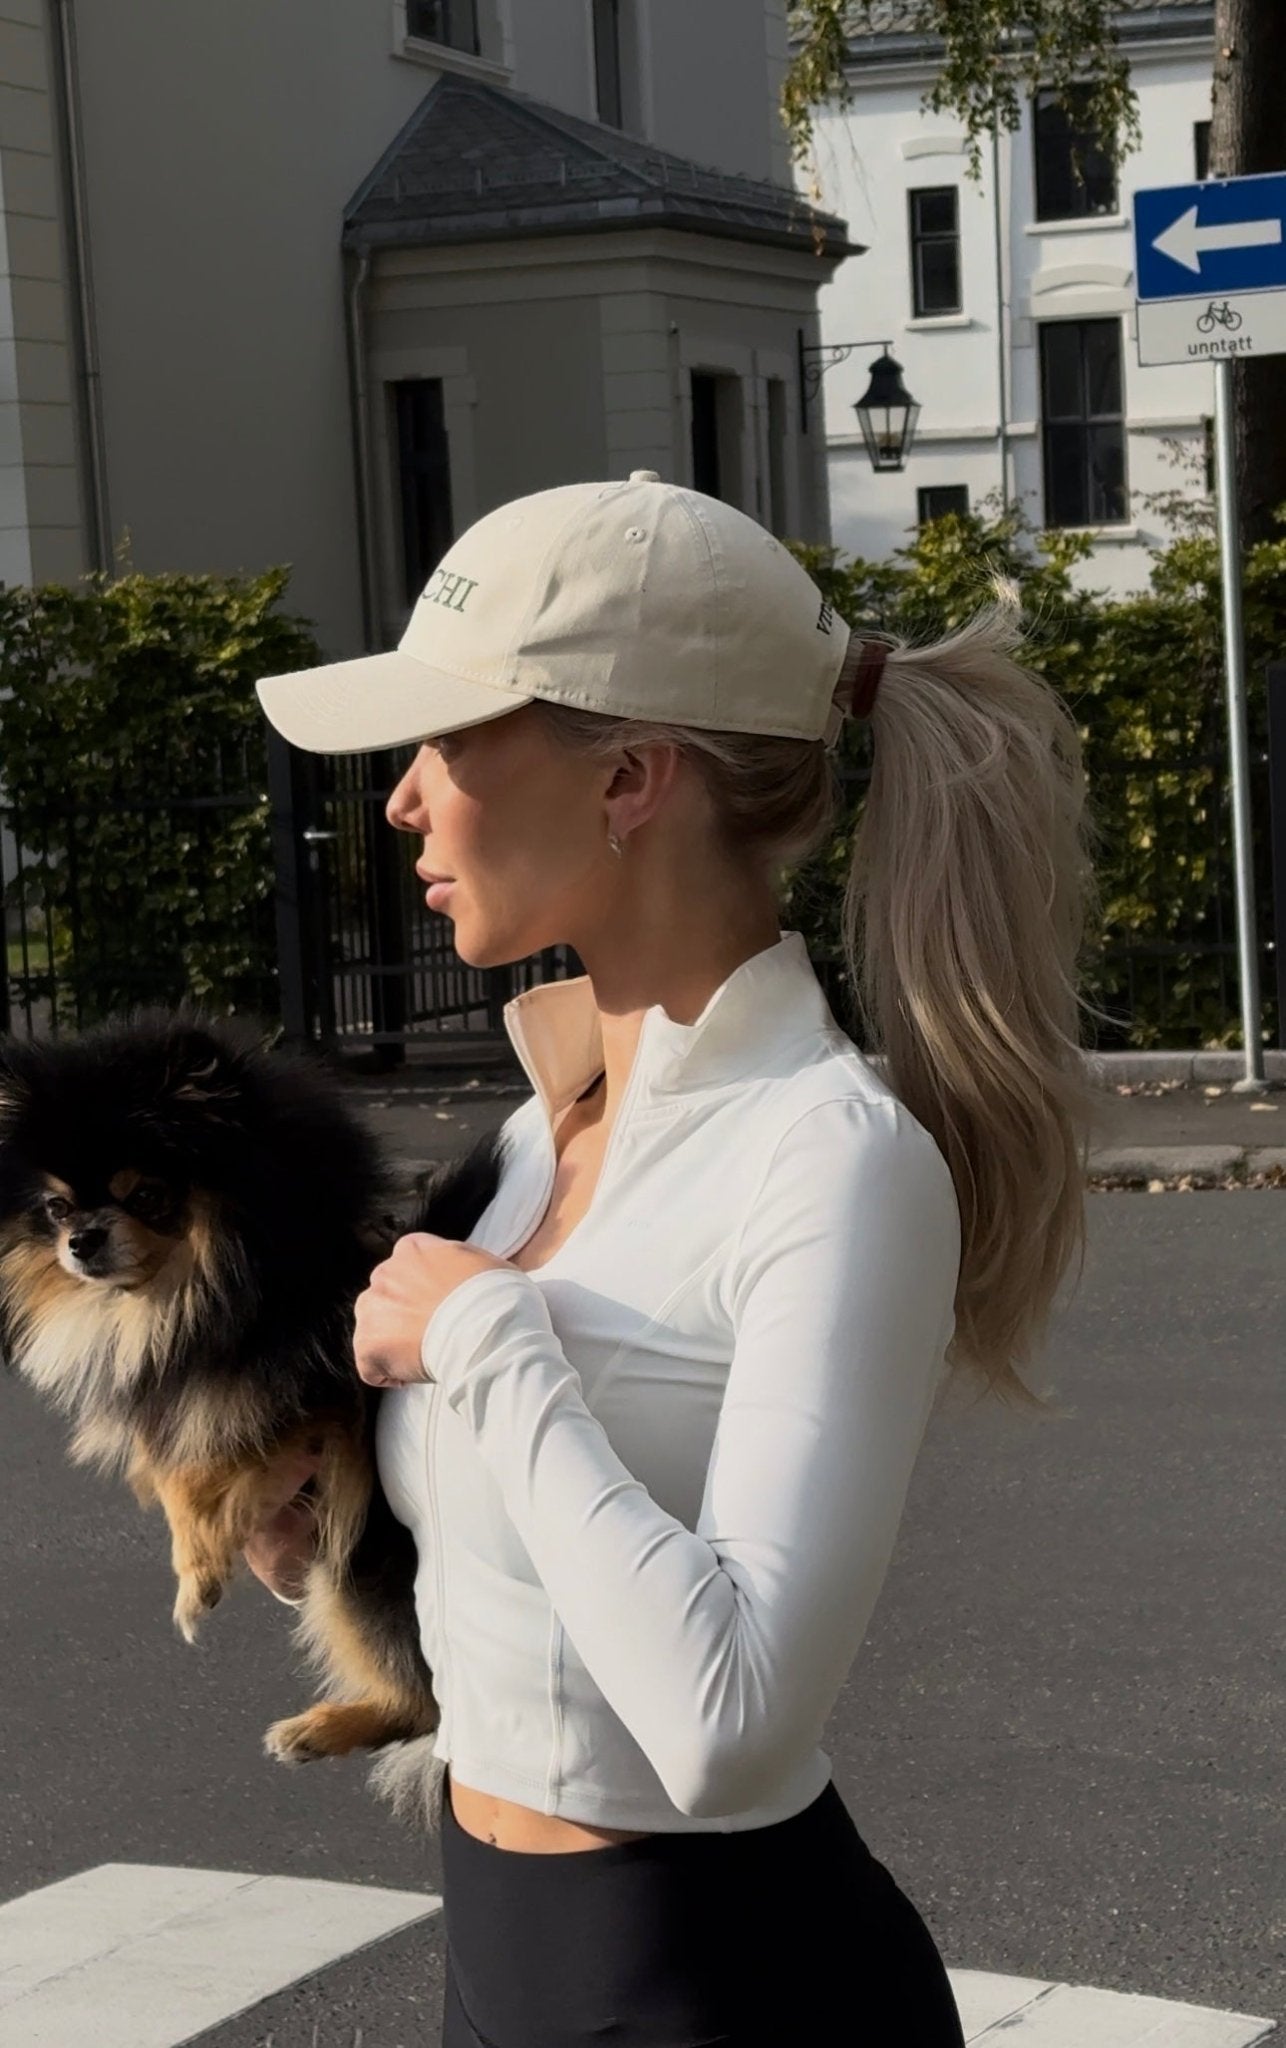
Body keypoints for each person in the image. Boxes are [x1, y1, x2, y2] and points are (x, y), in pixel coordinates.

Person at [247, 470, 1094, 2047]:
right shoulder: (538, 1131)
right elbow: (543, 1564)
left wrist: (488, 1348)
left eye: (449, 740)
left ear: (631, 778)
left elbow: (729, 1729)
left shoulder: (827, 1158)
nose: (403, 799)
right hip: (501, 1951)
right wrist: (341, 1512)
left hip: (725, 1987)